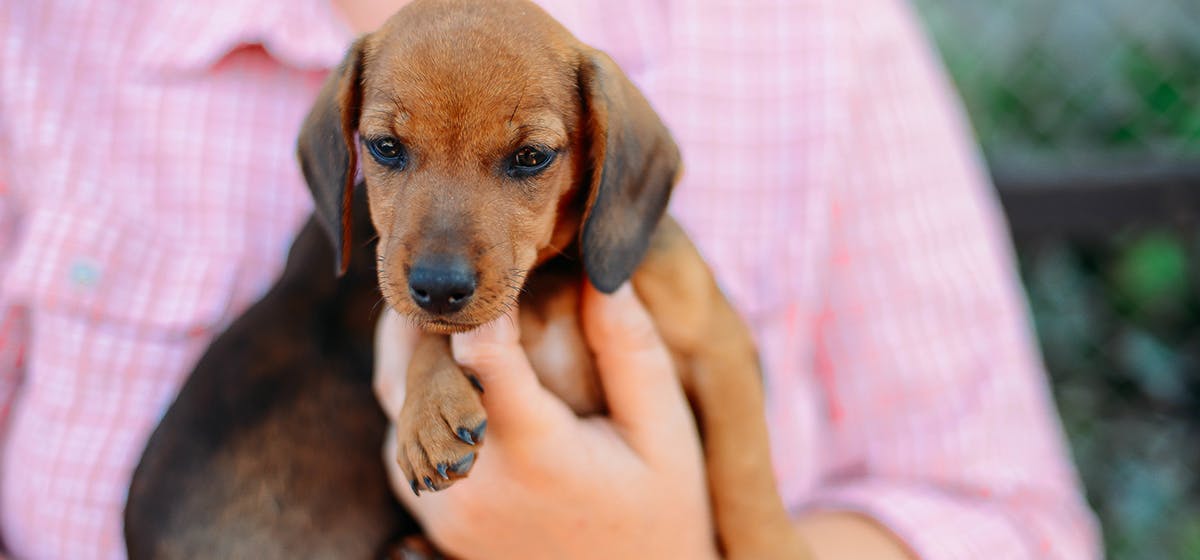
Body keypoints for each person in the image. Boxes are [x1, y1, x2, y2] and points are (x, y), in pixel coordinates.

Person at [0, 0, 1099, 558]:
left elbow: (1014, 522)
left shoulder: (808, 34)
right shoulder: (46, 36)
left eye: (526, 158)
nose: (441, 246)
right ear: (347, 148)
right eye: (388, 151)